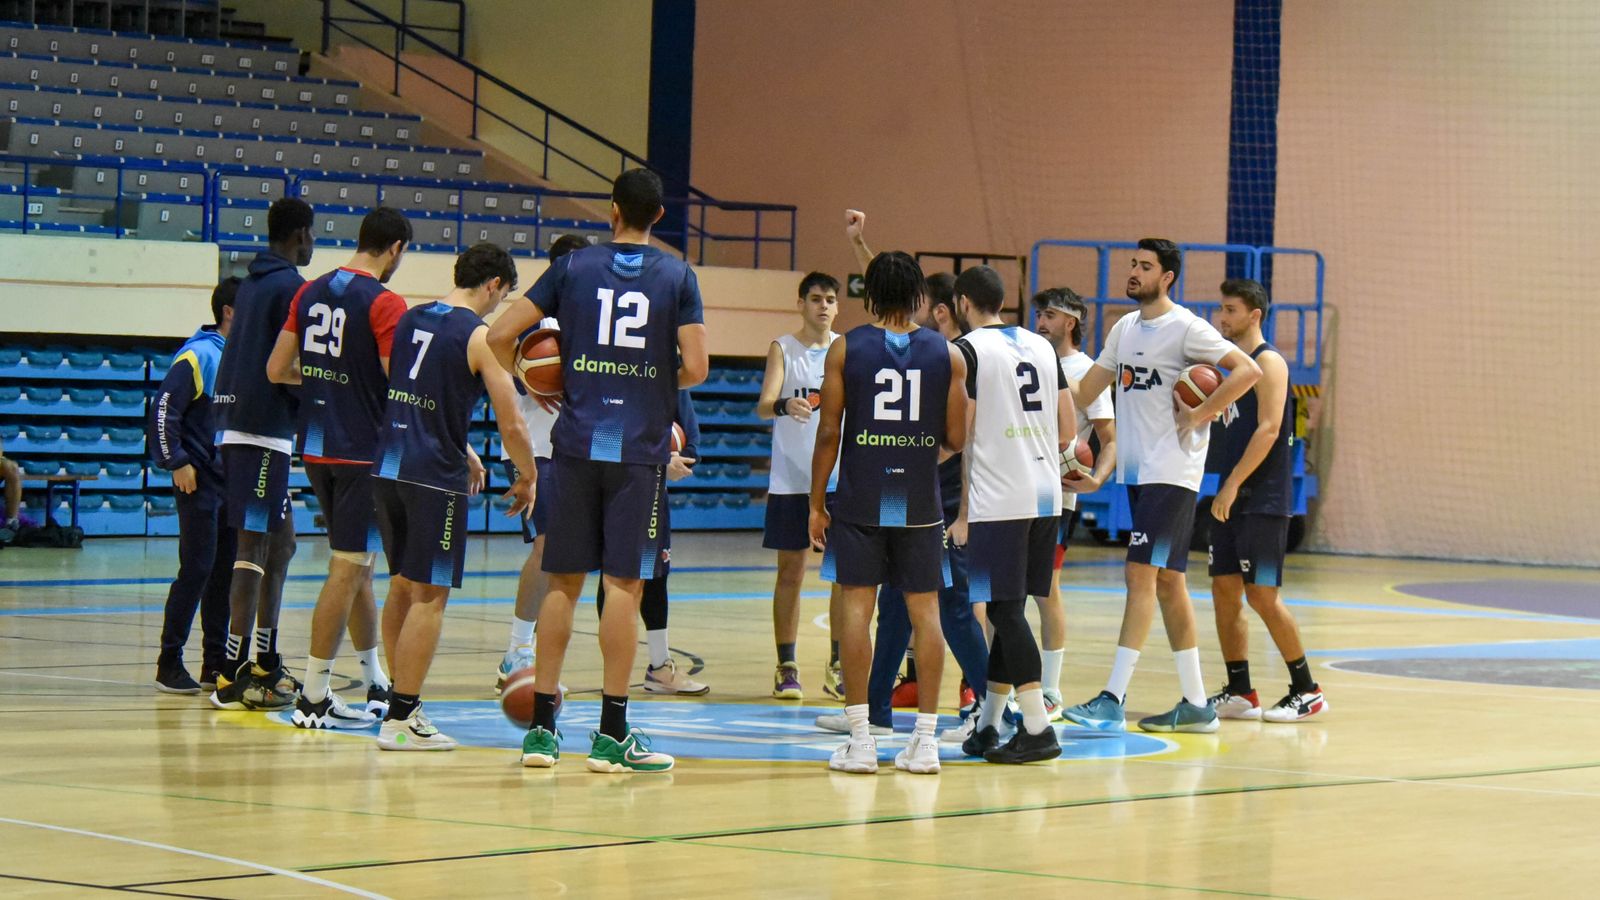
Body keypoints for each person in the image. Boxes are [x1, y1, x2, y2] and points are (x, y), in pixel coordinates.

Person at [488, 168, 708, 774]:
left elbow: (501, 334)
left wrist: (539, 376)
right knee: (624, 587)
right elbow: (696, 368)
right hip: (637, 449)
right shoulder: (676, 274)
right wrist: (646, 375)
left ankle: (541, 732)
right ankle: (612, 734)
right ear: (658, 216)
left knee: (563, 582)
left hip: (577, 442)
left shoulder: (574, 267)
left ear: (612, 210)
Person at [1061, 239, 1261, 734]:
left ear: (1167, 277)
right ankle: (1196, 702)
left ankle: (1112, 697)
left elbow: (1248, 370)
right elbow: (1087, 393)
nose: (1133, 272)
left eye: (1145, 266)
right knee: (1169, 583)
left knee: (1139, 577)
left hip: (1172, 470)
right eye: (1132, 264)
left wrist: (1201, 411)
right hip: (1138, 472)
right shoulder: (1125, 328)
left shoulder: (1188, 327)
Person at [815, 210, 989, 743]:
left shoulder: (846, 346)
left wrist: (815, 501)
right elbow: (958, 438)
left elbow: (828, 433)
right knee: (926, 613)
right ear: (918, 296)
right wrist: (913, 451)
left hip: (861, 494)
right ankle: (926, 740)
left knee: (857, 609)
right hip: (918, 497)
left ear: (869, 294)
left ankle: (862, 738)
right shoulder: (949, 352)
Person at [371, 243, 538, 750]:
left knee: (401, 586)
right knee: (430, 595)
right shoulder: (480, 336)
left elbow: (407, 391)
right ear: (492, 285)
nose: (498, 306)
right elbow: (511, 419)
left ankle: (399, 702)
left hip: (390, 465)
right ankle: (402, 717)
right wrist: (528, 475)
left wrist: (462, 446)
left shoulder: (412, 317)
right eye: (503, 295)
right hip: (431, 478)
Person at [268, 206, 415, 731]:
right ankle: (313, 694)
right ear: (395, 247)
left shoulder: (309, 291)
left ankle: (374, 678)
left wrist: (329, 378)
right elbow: (399, 383)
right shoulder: (384, 302)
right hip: (362, 451)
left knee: (359, 566)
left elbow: (277, 368)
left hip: (316, 446)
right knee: (349, 567)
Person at [951, 266, 1076, 764]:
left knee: (1001, 610)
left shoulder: (967, 350)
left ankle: (1038, 727)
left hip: (998, 498)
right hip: (1047, 493)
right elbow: (1068, 427)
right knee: (1012, 610)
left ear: (963, 302)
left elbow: (960, 435)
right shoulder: (1042, 345)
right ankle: (988, 725)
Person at [1205, 278, 1327, 722]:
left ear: (1254, 315)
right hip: (1230, 495)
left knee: (1263, 595)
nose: (1222, 317)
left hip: (1263, 498)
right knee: (1224, 590)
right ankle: (1240, 691)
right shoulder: (1232, 368)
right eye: (1222, 309)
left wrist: (1234, 483)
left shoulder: (1269, 362)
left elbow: (1270, 429)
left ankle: (1307, 689)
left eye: (1231, 310)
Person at [209, 198, 313, 710]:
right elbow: (288, 365)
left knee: (284, 544)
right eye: (311, 234)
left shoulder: (252, 284)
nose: (313, 244)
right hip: (258, 430)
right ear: (298, 234)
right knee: (251, 552)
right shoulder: (290, 286)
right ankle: (231, 674)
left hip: (252, 428)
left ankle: (265, 662)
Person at [495, 232, 588, 694]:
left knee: (566, 559)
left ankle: (535, 655)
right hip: (539, 450)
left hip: (580, 449)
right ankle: (517, 650)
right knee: (547, 550)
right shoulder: (539, 318)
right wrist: (525, 376)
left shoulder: (592, 317)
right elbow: (496, 345)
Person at [755, 271, 844, 700]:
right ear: (800, 304)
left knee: (843, 575)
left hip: (840, 479)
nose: (823, 306)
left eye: (830, 299)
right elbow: (761, 405)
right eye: (815, 298)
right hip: (792, 478)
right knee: (790, 572)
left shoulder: (846, 350)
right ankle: (786, 664)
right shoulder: (783, 348)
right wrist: (783, 404)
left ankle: (839, 662)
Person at [151, 278, 239, 693]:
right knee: (197, 569)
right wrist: (177, 462)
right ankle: (169, 661)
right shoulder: (198, 355)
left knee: (224, 574)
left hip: (231, 483)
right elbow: (164, 409)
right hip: (198, 482)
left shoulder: (242, 357)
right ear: (229, 312)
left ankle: (214, 663)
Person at [1032, 287, 1117, 714]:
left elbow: (1109, 438)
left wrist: (1097, 479)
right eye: (1038, 313)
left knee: (1047, 591)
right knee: (1000, 594)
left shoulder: (1086, 371)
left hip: (1057, 498)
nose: (1040, 321)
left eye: (1049, 314)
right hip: (1014, 491)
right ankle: (1000, 686)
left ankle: (1050, 690)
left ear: (1071, 321)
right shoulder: (1028, 359)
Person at [592, 388, 709, 695]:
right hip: (603, 483)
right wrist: (655, 456)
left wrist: (672, 458)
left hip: (649, 490)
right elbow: (597, 434)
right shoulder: (606, 372)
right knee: (611, 579)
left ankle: (659, 667)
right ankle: (613, 672)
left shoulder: (670, 371)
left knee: (655, 576)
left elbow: (692, 443)